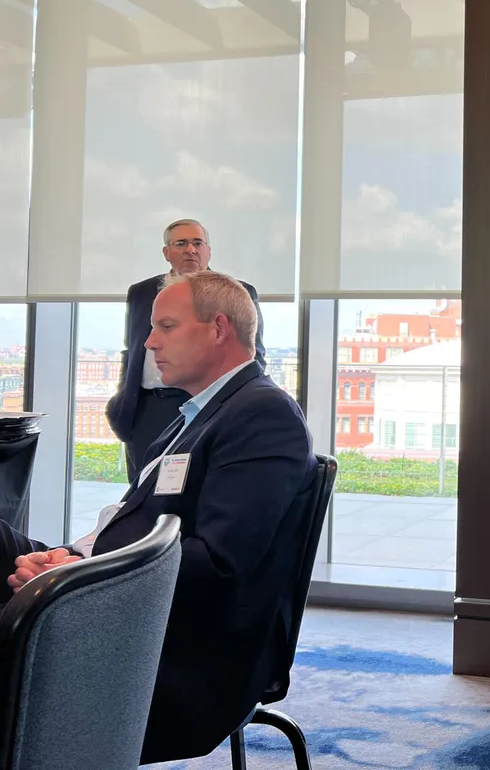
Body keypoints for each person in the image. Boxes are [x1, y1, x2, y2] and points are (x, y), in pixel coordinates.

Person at [2, 271, 315, 764]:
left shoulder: (263, 416)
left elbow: (217, 564)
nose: (148, 342)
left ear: (218, 329)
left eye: (166, 326)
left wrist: (74, 573)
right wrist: (69, 560)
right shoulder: (201, 412)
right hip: (116, 593)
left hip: (167, 643)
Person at [105, 218, 266, 482]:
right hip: (148, 409)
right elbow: (132, 350)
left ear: (208, 251)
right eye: (181, 243)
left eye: (197, 243)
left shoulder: (236, 293)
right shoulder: (141, 293)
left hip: (207, 406)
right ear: (167, 253)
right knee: (142, 496)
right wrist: (121, 402)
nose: (190, 249)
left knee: (196, 491)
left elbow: (253, 355)